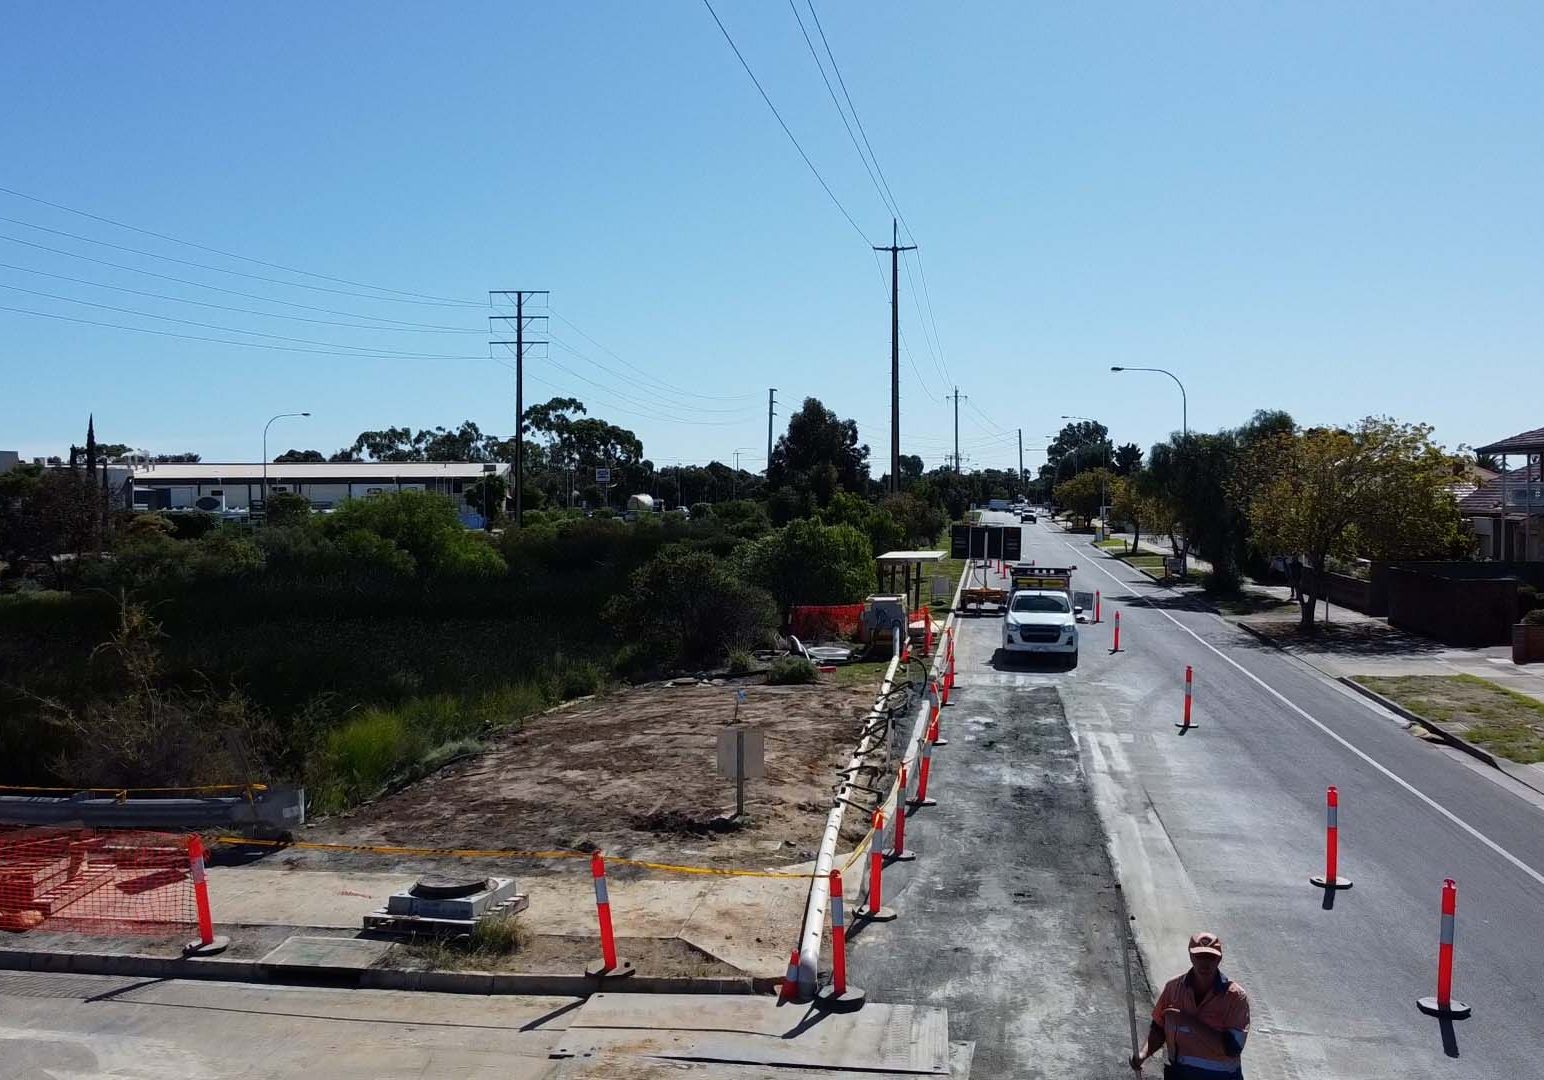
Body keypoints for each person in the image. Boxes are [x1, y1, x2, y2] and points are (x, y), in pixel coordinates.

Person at [1130, 932, 1250, 1078]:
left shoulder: (1235, 997)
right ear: (1191, 956)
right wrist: (1143, 1054)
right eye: (1199, 957)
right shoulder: (1173, 988)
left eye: (1210, 957)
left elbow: (1232, 1048)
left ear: (1219, 959)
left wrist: (1187, 1021)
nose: (1205, 963)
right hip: (1179, 1074)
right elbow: (1158, 1028)